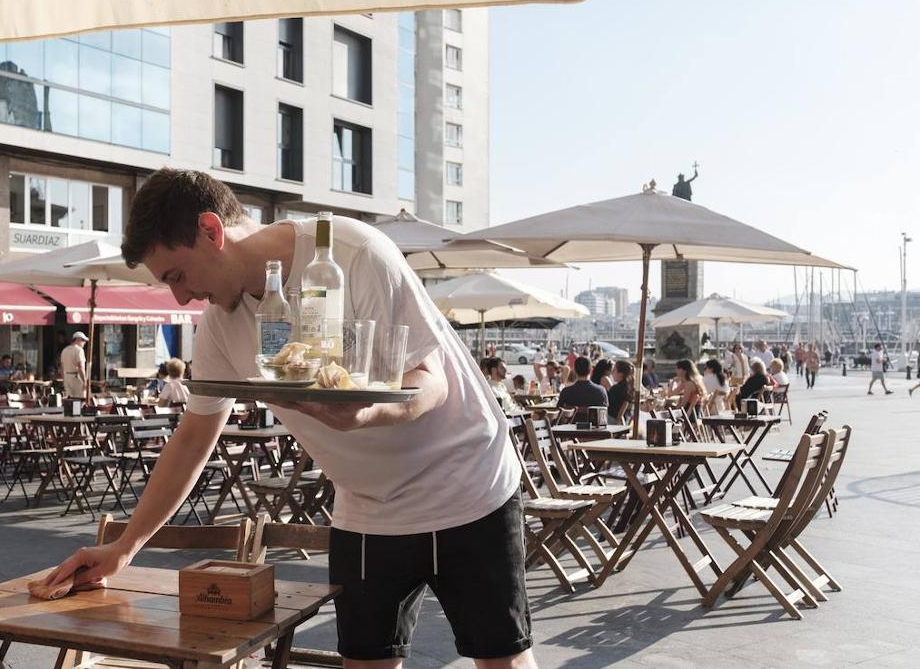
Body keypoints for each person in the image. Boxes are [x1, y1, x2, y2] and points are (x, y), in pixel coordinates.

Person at [43, 168, 535, 668]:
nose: (181, 298)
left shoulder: (352, 252)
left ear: (211, 231)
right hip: (366, 509)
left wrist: (365, 414)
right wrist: (126, 548)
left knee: (502, 662)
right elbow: (194, 437)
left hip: (469, 488)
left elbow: (431, 381)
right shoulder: (218, 326)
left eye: (177, 275)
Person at [61, 331, 89, 398]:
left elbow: (61, 367)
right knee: (80, 400)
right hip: (76, 377)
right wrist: (84, 381)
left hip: (67, 377)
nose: (84, 343)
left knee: (69, 400)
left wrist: (64, 379)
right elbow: (81, 367)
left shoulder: (65, 350)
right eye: (83, 340)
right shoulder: (79, 350)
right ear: (78, 339)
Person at [605, 360, 634, 425]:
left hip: (612, 422)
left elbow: (607, 406)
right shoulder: (629, 388)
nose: (612, 372)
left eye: (614, 370)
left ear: (621, 374)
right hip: (625, 421)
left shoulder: (616, 389)